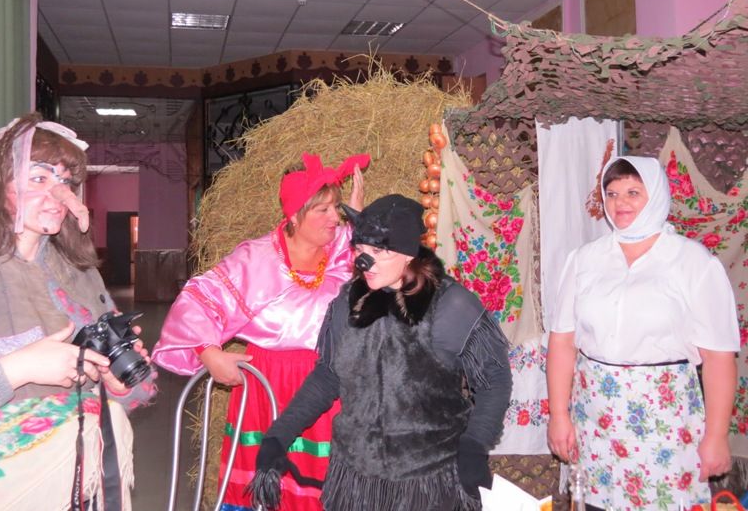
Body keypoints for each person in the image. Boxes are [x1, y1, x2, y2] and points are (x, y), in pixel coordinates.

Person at [250, 194, 512, 511]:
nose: (364, 261)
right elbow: (329, 376)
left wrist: (474, 446)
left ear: (409, 254)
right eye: (360, 249)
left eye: (378, 251)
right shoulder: (349, 302)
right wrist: (279, 435)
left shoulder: (450, 305)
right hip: (356, 480)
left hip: (429, 484)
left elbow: (494, 379)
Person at [0, 114, 157, 509]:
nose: (59, 194)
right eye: (39, 177)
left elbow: (135, 391)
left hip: (83, 487)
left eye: (65, 181)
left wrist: (118, 384)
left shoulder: (80, 274)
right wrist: (19, 368)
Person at [153, 151, 369, 511]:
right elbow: (197, 300)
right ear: (295, 215)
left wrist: (360, 224)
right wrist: (209, 352)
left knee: (326, 489)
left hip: (328, 388)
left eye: (337, 207)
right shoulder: (255, 261)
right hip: (268, 390)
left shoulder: (343, 252)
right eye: (323, 210)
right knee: (266, 491)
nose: (335, 217)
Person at [546, 156, 739, 510]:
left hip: (665, 424)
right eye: (612, 193)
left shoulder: (693, 262)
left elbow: (719, 358)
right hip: (594, 420)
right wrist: (559, 415)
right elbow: (562, 342)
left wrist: (716, 435)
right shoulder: (584, 260)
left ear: (657, 195)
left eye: (633, 192)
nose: (620, 202)